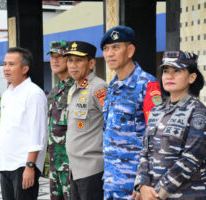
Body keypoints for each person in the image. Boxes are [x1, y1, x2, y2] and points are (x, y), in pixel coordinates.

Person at [131, 51, 206, 200]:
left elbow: (190, 160)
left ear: (192, 77)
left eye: (177, 71)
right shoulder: (157, 111)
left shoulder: (198, 113)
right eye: (165, 71)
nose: (169, 76)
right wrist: (142, 185)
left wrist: (156, 193)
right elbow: (144, 151)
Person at [101, 25, 162, 199]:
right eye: (106, 49)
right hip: (111, 181)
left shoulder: (147, 85)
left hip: (135, 186)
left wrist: (146, 182)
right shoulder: (112, 87)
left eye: (115, 47)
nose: (109, 54)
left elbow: (157, 137)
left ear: (130, 51)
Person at [0, 47, 48, 200]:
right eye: (5, 64)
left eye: (11, 64)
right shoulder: (7, 94)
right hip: (7, 163)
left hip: (23, 165)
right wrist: (0, 165)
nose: (6, 68)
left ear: (25, 68)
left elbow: (38, 133)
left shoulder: (34, 94)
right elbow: (6, 130)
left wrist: (30, 166)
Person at [65, 41, 108, 200]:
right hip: (75, 170)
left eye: (78, 60)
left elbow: (110, 124)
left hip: (92, 170)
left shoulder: (99, 87)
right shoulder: (73, 89)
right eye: (70, 60)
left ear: (91, 63)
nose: (73, 65)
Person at [47, 40, 74, 200]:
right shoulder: (54, 90)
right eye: (52, 56)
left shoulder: (77, 88)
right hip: (54, 164)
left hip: (71, 166)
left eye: (60, 56)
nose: (55, 60)